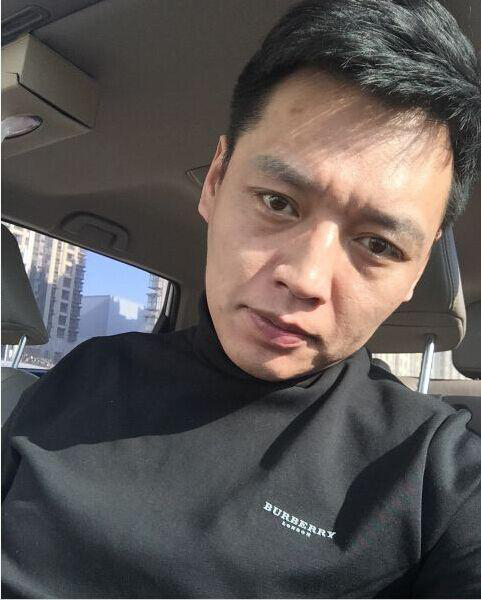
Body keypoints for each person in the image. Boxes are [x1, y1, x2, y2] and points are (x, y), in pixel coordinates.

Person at [2, 0, 481, 597]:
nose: (306, 279)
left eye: (379, 245)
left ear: (417, 272)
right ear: (215, 181)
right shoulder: (81, 377)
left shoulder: (435, 479)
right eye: (278, 202)